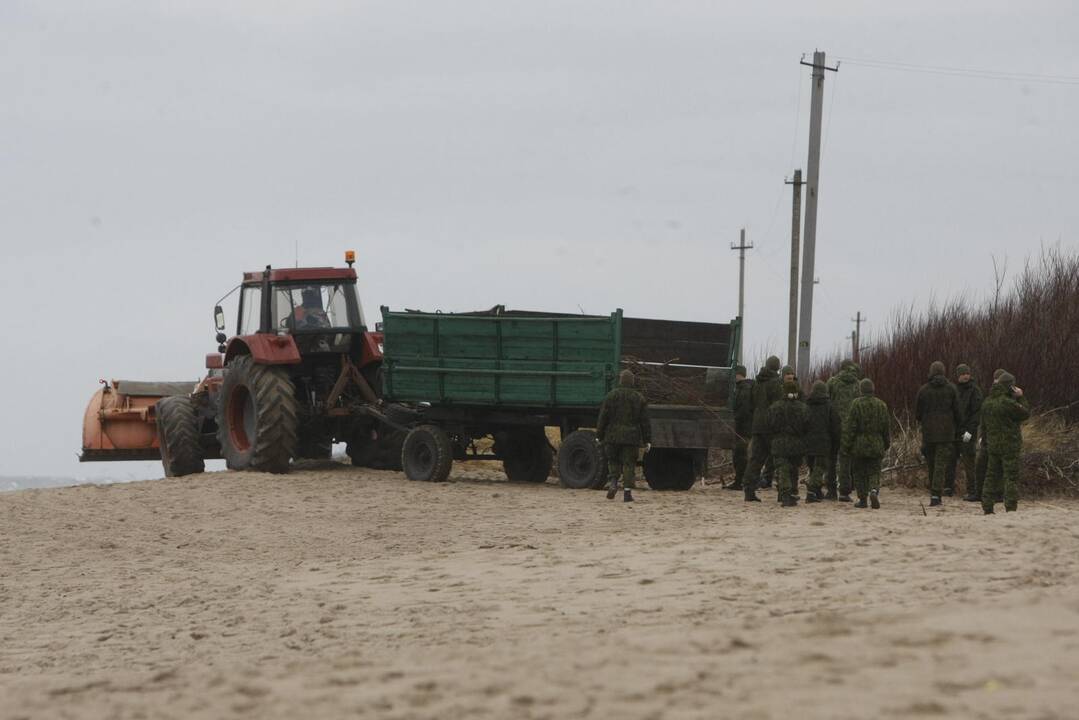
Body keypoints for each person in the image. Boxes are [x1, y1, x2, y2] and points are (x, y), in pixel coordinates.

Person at [597, 369, 651, 503]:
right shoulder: (639, 398)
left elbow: (603, 417)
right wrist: (647, 440)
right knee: (629, 464)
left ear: (620, 381)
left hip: (612, 435)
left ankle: (614, 481)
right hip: (631, 437)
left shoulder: (611, 396)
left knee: (613, 460)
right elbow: (644, 422)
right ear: (632, 382)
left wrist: (599, 434)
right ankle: (627, 493)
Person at [979, 371, 1029, 514]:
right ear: (1010, 386)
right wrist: (1021, 397)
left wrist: (984, 442)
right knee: (1010, 476)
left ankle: (987, 506)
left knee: (991, 475)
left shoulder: (987, 402)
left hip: (993, 445)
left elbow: (983, 426)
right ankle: (1010, 507)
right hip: (1010, 446)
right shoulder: (1008, 403)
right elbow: (1025, 413)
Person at [915, 360, 961, 507]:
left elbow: (917, 414)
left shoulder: (923, 390)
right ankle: (936, 495)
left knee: (931, 464)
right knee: (941, 464)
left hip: (928, 433)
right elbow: (958, 412)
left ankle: (934, 493)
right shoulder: (951, 389)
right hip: (946, 433)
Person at [841, 378, 891, 508]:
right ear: (873, 390)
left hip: (859, 444)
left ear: (861, 390)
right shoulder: (882, 405)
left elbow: (850, 427)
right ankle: (873, 490)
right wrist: (886, 443)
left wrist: (846, 445)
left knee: (859, 472)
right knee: (874, 471)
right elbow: (886, 428)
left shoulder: (855, 404)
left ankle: (862, 499)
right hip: (876, 443)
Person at [743, 356, 783, 502]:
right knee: (780, 458)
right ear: (778, 367)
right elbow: (779, 406)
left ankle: (749, 490)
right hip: (772, 426)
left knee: (755, 459)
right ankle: (783, 492)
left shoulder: (756, 383)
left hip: (757, 425)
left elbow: (751, 404)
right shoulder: (777, 383)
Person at [768, 380, 808, 507]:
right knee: (793, 469)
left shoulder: (774, 407)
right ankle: (792, 492)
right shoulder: (803, 408)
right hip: (796, 443)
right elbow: (807, 426)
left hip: (779, 442)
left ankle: (784, 494)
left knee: (782, 469)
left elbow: (769, 425)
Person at [826, 360, 861, 501]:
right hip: (849, 427)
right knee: (845, 459)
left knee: (831, 458)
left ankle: (831, 490)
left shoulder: (832, 382)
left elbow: (826, 403)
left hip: (833, 425)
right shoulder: (857, 384)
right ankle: (845, 492)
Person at [948, 364, 983, 501]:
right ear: (958, 375)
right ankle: (948, 488)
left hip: (969, 432)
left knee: (969, 461)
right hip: (954, 431)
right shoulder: (954, 389)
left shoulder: (975, 390)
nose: (965, 375)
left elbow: (976, 413)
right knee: (951, 460)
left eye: (967, 373)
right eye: (963, 373)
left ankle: (973, 490)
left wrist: (970, 430)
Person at [803, 380, 841, 503]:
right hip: (823, 442)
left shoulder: (806, 405)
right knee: (820, 467)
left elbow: (802, 423)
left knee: (813, 468)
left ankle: (817, 492)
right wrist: (836, 443)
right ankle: (812, 491)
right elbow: (835, 427)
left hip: (808, 442)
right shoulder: (830, 406)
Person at [973, 368, 1007, 502]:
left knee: (999, 468)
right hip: (987, 438)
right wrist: (981, 435)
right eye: (996, 379)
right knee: (981, 465)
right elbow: (984, 418)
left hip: (1002, 439)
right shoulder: (989, 398)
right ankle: (979, 493)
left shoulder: (1009, 398)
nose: (997, 381)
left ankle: (998, 494)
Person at [726, 365, 754, 491]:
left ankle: (740, 482)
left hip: (744, 428)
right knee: (740, 455)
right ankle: (740, 481)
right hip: (745, 428)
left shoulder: (744, 390)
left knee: (740, 455)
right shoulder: (744, 388)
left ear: (738, 374)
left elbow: (743, 411)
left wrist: (734, 419)